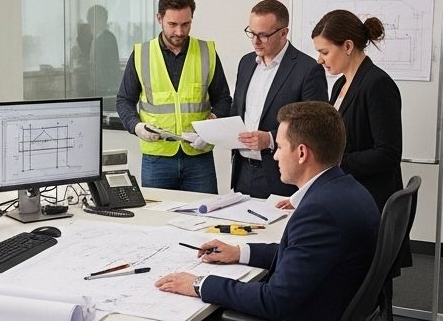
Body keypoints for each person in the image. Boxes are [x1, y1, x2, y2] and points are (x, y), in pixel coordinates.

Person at [155, 101, 380, 321]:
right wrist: (240, 252)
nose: (275, 156)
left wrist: (199, 284)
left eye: (280, 147)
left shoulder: (320, 211)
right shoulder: (347, 189)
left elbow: (274, 300)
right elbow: (300, 254)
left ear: (302, 153)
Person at [311, 9, 407, 268]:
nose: (319, 60)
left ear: (348, 46)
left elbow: (387, 154)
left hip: (369, 199)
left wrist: (335, 163)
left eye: (324, 52)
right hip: (348, 193)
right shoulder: (339, 85)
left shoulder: (377, 84)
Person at [116, 0, 231, 193]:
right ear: (159, 18)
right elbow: (124, 100)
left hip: (199, 157)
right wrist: (137, 126)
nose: (179, 32)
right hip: (157, 158)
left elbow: (223, 99)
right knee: (157, 212)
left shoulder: (207, 52)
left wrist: (211, 125)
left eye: (186, 24)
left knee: (205, 211)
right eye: (172, 24)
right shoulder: (142, 54)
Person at [231, 0, 327, 199]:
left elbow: (316, 126)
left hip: (282, 176)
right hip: (242, 172)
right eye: (251, 33)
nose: (255, 41)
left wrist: (270, 139)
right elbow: (237, 109)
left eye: (263, 35)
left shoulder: (307, 69)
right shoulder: (246, 63)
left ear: (284, 33)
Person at [87, 3, 120, 96]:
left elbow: (108, 66)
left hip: (105, 88)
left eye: (92, 19)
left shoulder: (107, 38)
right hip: (98, 87)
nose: (90, 24)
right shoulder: (96, 38)